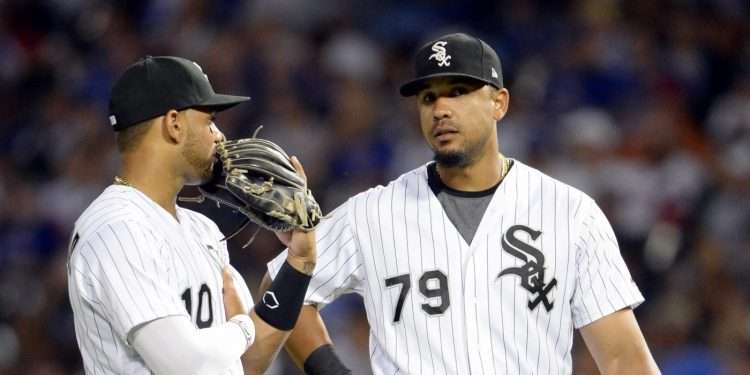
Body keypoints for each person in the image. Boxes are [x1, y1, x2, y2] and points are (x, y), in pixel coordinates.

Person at [261, 33, 661, 374]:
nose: (441, 109)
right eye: (428, 97)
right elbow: (281, 287)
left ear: (499, 103)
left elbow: (624, 358)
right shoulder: (372, 214)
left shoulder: (570, 213)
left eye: (459, 92)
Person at [66, 55, 317, 375]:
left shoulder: (202, 230)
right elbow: (189, 366)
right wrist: (244, 327)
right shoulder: (116, 231)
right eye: (209, 121)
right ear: (174, 124)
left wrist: (299, 262)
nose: (220, 136)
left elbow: (247, 364)